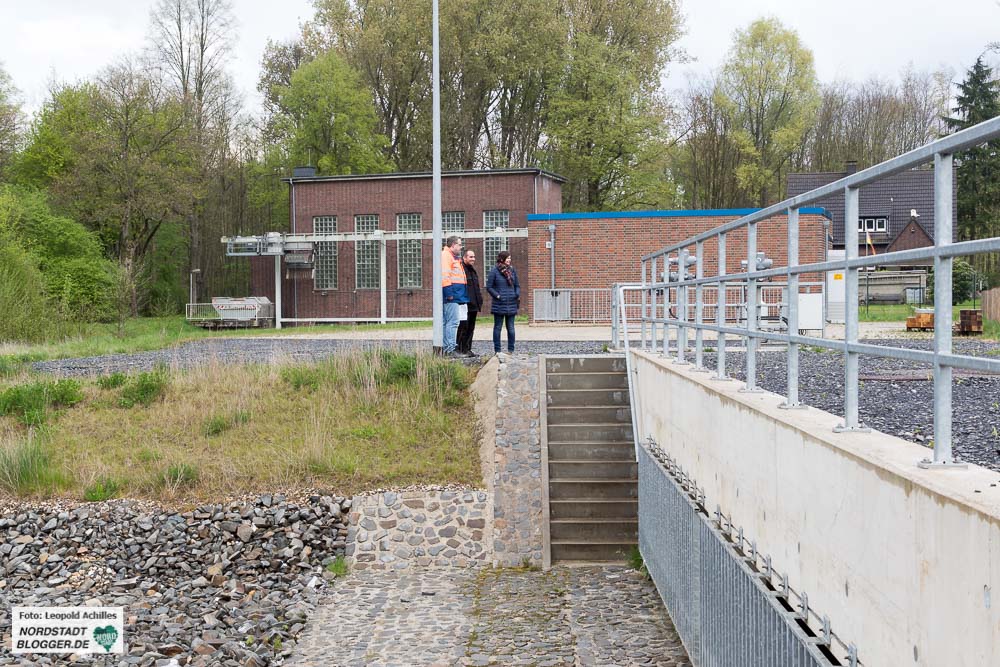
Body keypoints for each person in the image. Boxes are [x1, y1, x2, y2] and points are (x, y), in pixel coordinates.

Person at [486, 250, 520, 354]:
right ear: (502, 259)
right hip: (499, 304)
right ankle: (497, 350)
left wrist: (516, 294)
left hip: (511, 303)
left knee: (511, 328)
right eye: (508, 258)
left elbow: (517, 285)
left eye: (510, 258)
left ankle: (511, 350)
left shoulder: (512, 270)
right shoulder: (494, 271)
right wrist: (498, 296)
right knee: (498, 327)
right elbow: (489, 287)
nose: (509, 260)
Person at [441, 236, 468, 356]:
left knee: (449, 322)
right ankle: (450, 349)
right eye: (459, 244)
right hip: (452, 295)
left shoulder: (451, 256)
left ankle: (447, 348)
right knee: (453, 322)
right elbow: (445, 275)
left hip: (455, 293)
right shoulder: (447, 256)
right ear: (453, 245)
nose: (461, 247)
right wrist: (449, 293)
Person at [455, 248, 482, 357]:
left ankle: (467, 349)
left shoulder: (472, 270)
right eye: (471, 257)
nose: (473, 259)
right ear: (464, 257)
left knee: (471, 328)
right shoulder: (462, 270)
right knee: (463, 327)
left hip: (474, 304)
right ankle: (461, 349)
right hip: (465, 303)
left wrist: (479, 300)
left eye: (474, 257)